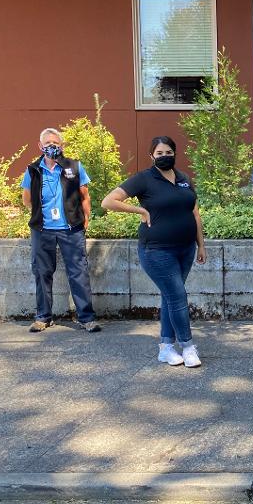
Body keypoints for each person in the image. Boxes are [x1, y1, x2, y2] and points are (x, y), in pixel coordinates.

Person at [102, 136, 205, 368]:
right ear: (152, 156)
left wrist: (201, 244)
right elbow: (108, 201)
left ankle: (166, 348)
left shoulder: (184, 178)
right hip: (157, 251)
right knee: (177, 296)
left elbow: (195, 213)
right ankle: (188, 347)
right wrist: (140, 210)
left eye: (168, 152)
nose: (164, 156)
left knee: (171, 297)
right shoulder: (144, 179)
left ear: (174, 153)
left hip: (185, 249)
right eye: (159, 153)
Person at [21, 128, 100, 333]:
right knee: (42, 273)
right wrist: (41, 214)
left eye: (55, 143)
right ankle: (43, 317)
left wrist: (86, 219)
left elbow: (85, 196)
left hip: (71, 229)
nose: (51, 146)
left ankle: (86, 318)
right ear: (40, 146)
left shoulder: (74, 167)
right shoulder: (33, 170)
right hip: (42, 230)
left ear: (62, 145)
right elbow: (27, 199)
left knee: (78, 272)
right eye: (47, 143)